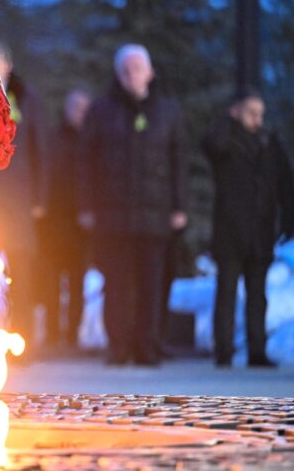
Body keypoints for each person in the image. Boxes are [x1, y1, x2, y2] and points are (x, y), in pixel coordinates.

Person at [78, 44, 187, 366]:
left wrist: (179, 207)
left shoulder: (168, 111)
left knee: (151, 285)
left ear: (150, 72)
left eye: (138, 68)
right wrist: (86, 205)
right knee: (117, 284)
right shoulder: (101, 110)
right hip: (113, 215)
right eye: (126, 69)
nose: (132, 74)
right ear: (118, 74)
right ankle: (119, 346)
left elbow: (179, 160)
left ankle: (147, 345)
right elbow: (85, 160)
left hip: (155, 215)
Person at [203, 90, 294, 368]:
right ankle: (224, 351)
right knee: (227, 293)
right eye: (251, 112)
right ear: (237, 112)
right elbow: (210, 144)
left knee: (258, 295)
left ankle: (257, 350)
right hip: (230, 230)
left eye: (260, 113)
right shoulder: (226, 140)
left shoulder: (268, 142)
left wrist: (288, 221)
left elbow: (285, 182)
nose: (257, 119)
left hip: (261, 230)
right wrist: (228, 121)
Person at [0, 42, 47, 347]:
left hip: (18, 201)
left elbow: (41, 151)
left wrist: (40, 198)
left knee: (21, 274)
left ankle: (22, 340)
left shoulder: (27, 100)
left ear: (8, 65)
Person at [37, 88, 91, 349]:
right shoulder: (53, 138)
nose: (79, 112)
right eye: (75, 107)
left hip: (81, 223)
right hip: (55, 221)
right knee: (51, 279)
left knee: (78, 280)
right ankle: (51, 333)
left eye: (83, 107)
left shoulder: (92, 140)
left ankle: (72, 334)